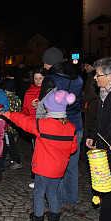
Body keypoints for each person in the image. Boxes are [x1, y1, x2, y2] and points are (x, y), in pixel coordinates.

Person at [0, 90, 78, 221]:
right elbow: (73, 149)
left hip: (43, 168)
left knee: (39, 194)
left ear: (48, 108)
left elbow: (23, 121)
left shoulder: (43, 124)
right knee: (52, 193)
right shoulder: (71, 128)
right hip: (59, 169)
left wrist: (7, 113)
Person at [42, 47, 84, 211]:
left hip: (57, 128)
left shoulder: (50, 79)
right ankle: (70, 202)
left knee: (56, 167)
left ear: (50, 62)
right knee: (72, 167)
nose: (44, 66)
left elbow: (44, 104)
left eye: (45, 62)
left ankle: (56, 203)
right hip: (76, 127)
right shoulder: (78, 78)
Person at [84, 56, 111, 221]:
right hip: (106, 149)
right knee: (109, 188)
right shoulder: (103, 93)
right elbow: (99, 120)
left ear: (110, 76)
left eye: (98, 75)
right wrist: (92, 135)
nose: (94, 78)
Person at [1, 80, 23, 169]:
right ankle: (5, 157)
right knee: (7, 143)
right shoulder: (16, 99)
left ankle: (17, 161)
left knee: (10, 144)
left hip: (9, 127)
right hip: (14, 126)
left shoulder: (9, 100)